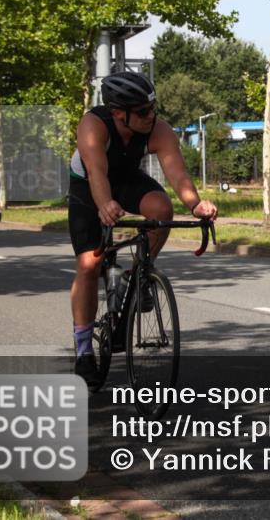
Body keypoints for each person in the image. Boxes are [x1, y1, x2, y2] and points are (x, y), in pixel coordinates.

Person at [67, 71, 217, 390]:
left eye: (153, 107)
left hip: (125, 179)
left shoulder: (157, 129)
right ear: (118, 113)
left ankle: (137, 275)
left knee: (162, 209)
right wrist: (104, 204)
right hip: (89, 184)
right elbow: (96, 173)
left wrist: (196, 205)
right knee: (90, 264)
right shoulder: (93, 124)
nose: (151, 116)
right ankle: (83, 352)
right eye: (143, 111)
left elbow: (177, 174)